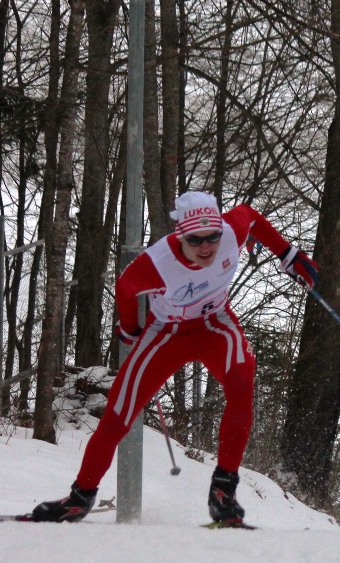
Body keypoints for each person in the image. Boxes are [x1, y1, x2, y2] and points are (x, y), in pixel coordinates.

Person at [30, 191, 318, 524]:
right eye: (197, 239)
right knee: (118, 414)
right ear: (180, 234)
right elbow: (125, 287)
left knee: (242, 381)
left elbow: (250, 215)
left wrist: (288, 253)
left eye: (213, 236)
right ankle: (79, 499)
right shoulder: (156, 262)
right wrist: (131, 327)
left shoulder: (231, 231)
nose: (207, 246)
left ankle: (223, 490)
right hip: (166, 334)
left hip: (216, 324)